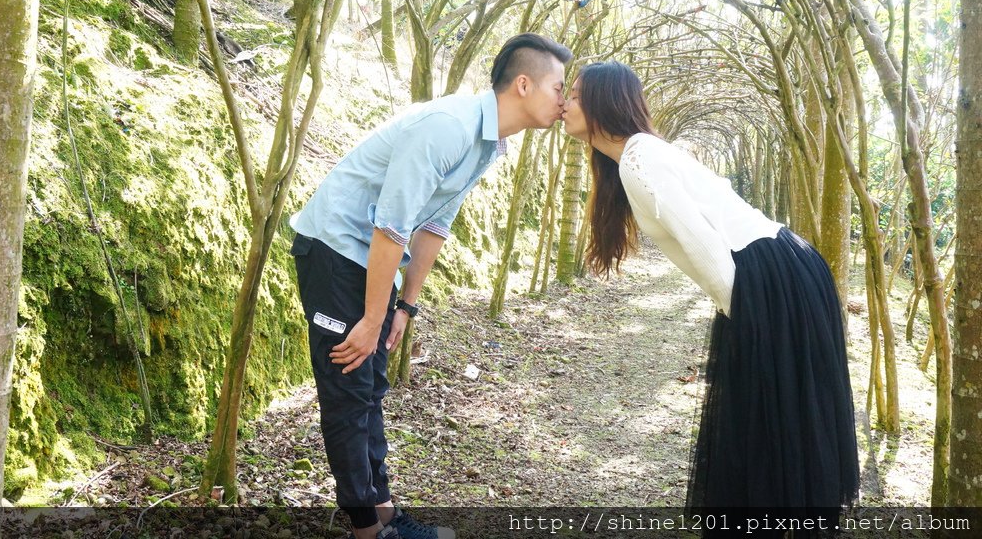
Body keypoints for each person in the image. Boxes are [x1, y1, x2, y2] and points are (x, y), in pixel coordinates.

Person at [289, 34, 573, 539]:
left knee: (371, 388)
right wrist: (373, 317)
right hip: (335, 249)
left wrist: (405, 307)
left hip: (373, 259)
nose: (564, 100)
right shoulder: (450, 127)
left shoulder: (490, 143)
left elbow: (434, 225)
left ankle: (384, 514)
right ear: (524, 84)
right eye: (558, 87)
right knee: (349, 390)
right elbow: (391, 226)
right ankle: (368, 531)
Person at [562, 61, 859, 525]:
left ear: (603, 103)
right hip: (775, 271)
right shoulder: (633, 158)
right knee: (771, 421)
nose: (564, 103)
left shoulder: (639, 159)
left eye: (575, 95)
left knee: (773, 417)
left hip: (768, 278)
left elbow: (704, 248)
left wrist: (749, 320)